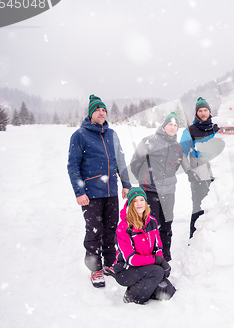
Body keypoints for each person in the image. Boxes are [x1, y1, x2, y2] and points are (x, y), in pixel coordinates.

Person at [67, 94, 131, 288]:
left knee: (111, 228)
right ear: (91, 113)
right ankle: (95, 269)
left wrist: (126, 184)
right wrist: (79, 192)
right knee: (94, 231)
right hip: (91, 193)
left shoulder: (112, 134)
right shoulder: (80, 135)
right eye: (98, 110)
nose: (102, 113)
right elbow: (73, 166)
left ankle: (110, 263)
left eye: (104, 110)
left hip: (111, 190)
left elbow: (120, 160)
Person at [130, 112, 183, 261]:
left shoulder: (177, 146)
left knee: (167, 225)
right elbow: (135, 163)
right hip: (150, 191)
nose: (172, 127)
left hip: (169, 192)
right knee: (150, 225)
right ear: (164, 126)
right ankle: (150, 256)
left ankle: (165, 256)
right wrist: (145, 179)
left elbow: (177, 165)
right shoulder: (149, 141)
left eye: (175, 125)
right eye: (170, 124)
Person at [113, 187, 175, 304]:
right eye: (135, 201)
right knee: (157, 272)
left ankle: (146, 287)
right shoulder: (124, 227)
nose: (139, 204)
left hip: (147, 266)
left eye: (141, 200)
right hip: (127, 270)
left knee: (167, 292)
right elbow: (131, 259)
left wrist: (159, 259)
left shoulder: (152, 222)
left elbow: (158, 247)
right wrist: (156, 261)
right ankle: (132, 296)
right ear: (130, 204)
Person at [180, 97, 219, 238]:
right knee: (198, 209)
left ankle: (213, 239)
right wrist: (189, 172)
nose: (203, 113)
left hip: (217, 176)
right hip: (198, 176)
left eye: (205, 110)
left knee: (217, 209)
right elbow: (181, 154)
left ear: (209, 111)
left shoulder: (216, 128)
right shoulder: (189, 131)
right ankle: (194, 240)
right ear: (196, 113)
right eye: (200, 111)